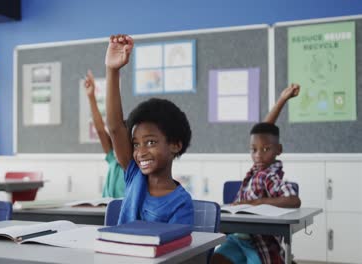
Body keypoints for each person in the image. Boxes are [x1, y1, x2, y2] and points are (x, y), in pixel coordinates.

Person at [105, 34, 193, 225]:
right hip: (118, 254)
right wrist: (112, 70)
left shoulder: (181, 203)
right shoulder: (134, 174)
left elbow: (177, 253)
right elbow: (115, 128)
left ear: (175, 145)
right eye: (136, 144)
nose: (141, 152)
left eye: (151, 142)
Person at [212, 84, 302, 264]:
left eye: (265, 149)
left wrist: (256, 202)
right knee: (216, 259)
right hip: (237, 238)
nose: (258, 155)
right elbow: (264, 131)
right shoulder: (256, 169)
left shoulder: (270, 174)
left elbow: (293, 200)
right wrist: (281, 100)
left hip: (259, 242)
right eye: (253, 150)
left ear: (278, 150)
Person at [83, 70, 125, 198]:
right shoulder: (113, 158)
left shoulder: (132, 168)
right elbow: (101, 130)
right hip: (105, 212)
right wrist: (91, 97)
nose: (117, 146)